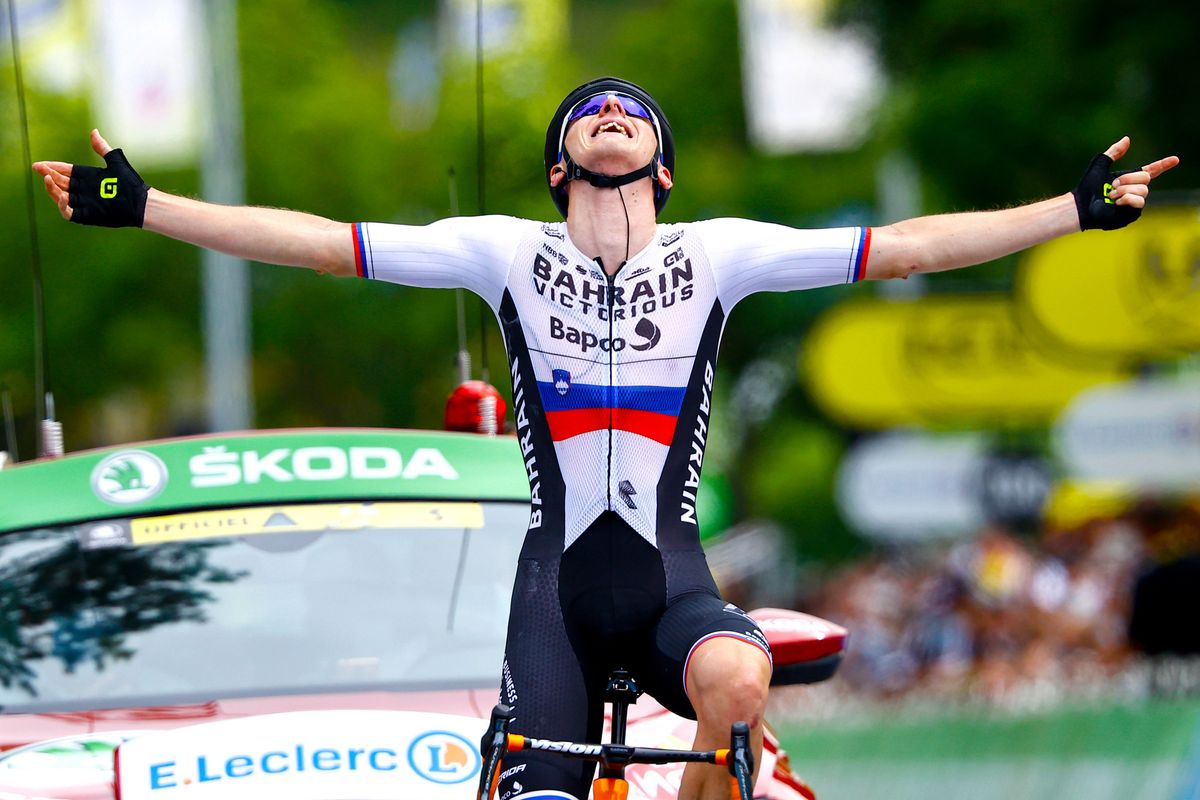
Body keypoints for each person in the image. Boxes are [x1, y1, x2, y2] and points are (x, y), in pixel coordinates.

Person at [33, 76, 1177, 800]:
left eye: (633, 112)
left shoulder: (721, 253)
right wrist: (149, 208)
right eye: (589, 111)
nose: (611, 111)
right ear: (558, 165)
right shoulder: (503, 251)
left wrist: (1069, 214)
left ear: (663, 167)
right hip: (558, 591)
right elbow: (323, 241)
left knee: (739, 674)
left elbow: (916, 245)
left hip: (673, 576)